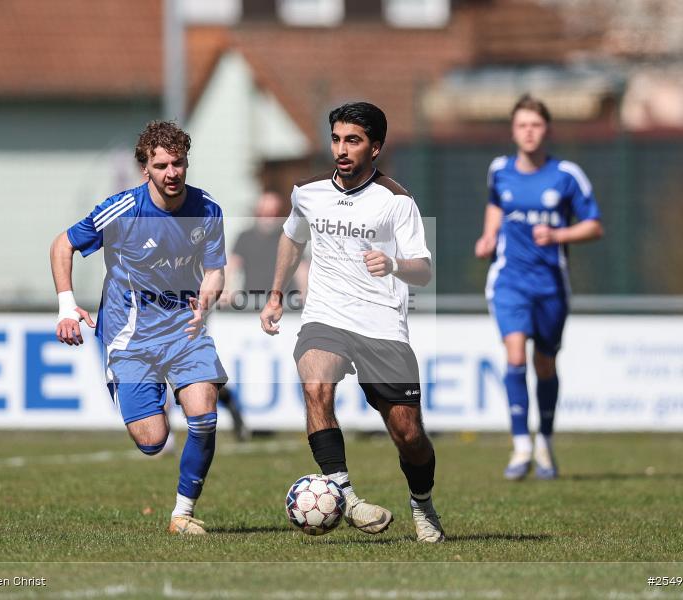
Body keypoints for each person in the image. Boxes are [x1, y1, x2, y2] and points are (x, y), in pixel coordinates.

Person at [259, 102, 444, 543]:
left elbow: (423, 269)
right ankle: (344, 494)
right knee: (315, 387)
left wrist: (394, 264)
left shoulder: (396, 201)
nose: (342, 149)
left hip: (381, 326)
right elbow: (292, 237)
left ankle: (422, 504)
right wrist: (275, 295)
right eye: (337, 138)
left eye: (354, 140)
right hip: (326, 316)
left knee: (408, 434)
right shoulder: (307, 191)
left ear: (375, 148)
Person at [50, 121, 228, 535]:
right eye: (162, 165)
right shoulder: (123, 210)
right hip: (129, 338)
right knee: (153, 441)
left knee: (204, 417)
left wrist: (207, 299)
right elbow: (63, 244)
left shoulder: (208, 210)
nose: (172, 173)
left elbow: (215, 271)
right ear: (146, 168)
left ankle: (182, 515)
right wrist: (65, 307)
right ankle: (141, 395)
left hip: (184, 332)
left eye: (178, 163)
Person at [474, 94, 604, 481]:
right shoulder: (499, 170)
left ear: (546, 130)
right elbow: (496, 203)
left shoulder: (566, 175)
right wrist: (488, 235)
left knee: (544, 364)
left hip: (550, 285)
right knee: (514, 357)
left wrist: (560, 233)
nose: (529, 132)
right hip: (509, 280)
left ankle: (544, 440)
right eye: (522, 125)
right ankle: (521, 446)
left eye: (536, 125)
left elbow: (594, 225)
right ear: (513, 131)